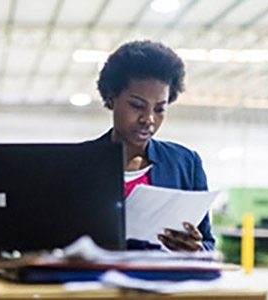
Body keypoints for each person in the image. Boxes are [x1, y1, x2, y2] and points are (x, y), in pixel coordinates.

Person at [90, 40, 215, 251]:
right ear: (112, 99)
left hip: (163, 281)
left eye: (159, 109)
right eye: (137, 106)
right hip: (99, 282)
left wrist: (196, 249)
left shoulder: (185, 164)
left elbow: (208, 244)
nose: (148, 119)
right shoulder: (81, 163)